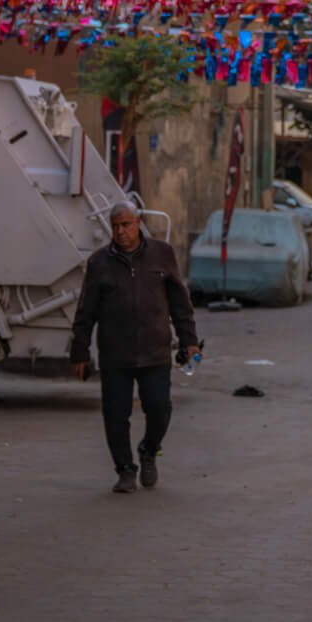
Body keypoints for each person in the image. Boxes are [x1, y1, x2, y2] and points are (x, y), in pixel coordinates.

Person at [70, 206, 201, 494]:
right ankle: (125, 470)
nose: (120, 232)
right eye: (115, 226)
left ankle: (149, 449)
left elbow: (180, 302)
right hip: (115, 354)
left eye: (126, 225)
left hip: (155, 351)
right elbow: (86, 311)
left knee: (160, 409)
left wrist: (189, 340)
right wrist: (79, 352)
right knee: (116, 415)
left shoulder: (162, 254)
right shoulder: (99, 263)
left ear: (138, 223)